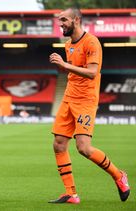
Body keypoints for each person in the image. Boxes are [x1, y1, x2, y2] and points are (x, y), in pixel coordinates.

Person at [48, 8, 130, 204]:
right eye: (59, 21)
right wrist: (65, 67)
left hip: (86, 101)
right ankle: (71, 194)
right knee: (59, 144)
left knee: (83, 148)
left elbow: (92, 72)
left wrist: (64, 65)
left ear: (76, 20)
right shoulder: (68, 45)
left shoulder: (92, 42)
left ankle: (119, 175)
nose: (61, 24)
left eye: (64, 20)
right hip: (69, 98)